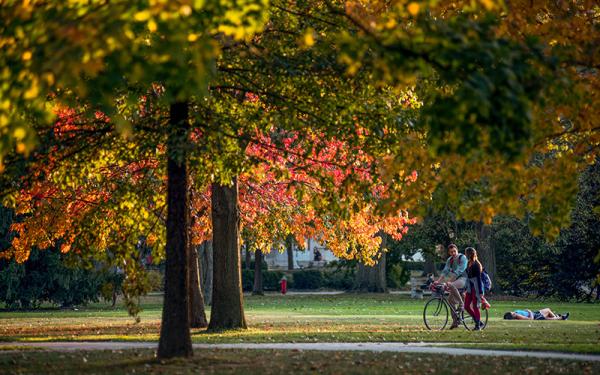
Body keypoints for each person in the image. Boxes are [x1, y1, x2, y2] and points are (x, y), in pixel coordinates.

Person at [434, 244, 467, 329]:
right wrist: (438, 281)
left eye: (454, 251)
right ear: (449, 253)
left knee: (450, 284)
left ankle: (461, 303)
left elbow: (459, 271)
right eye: (451, 252)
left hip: (464, 279)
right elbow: (445, 271)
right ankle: (455, 321)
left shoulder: (462, 258)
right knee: (450, 300)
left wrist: (449, 281)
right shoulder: (450, 260)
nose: (453, 253)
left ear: (457, 250)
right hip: (456, 281)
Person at [464, 247, 485, 330]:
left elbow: (479, 279)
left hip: (476, 287)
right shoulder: (468, 263)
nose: (465, 255)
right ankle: (478, 321)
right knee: (466, 306)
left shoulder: (476, 264)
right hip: (470, 287)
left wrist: (480, 291)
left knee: (475, 306)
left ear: (469, 254)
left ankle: (478, 326)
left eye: (466, 253)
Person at [504, 308, 569, 320]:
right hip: (535, 315)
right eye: (512, 313)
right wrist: (529, 311)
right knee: (548, 310)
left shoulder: (516, 313)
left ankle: (560, 317)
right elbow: (531, 319)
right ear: (512, 316)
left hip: (535, 313)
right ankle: (558, 317)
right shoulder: (517, 316)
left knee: (548, 316)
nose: (512, 312)